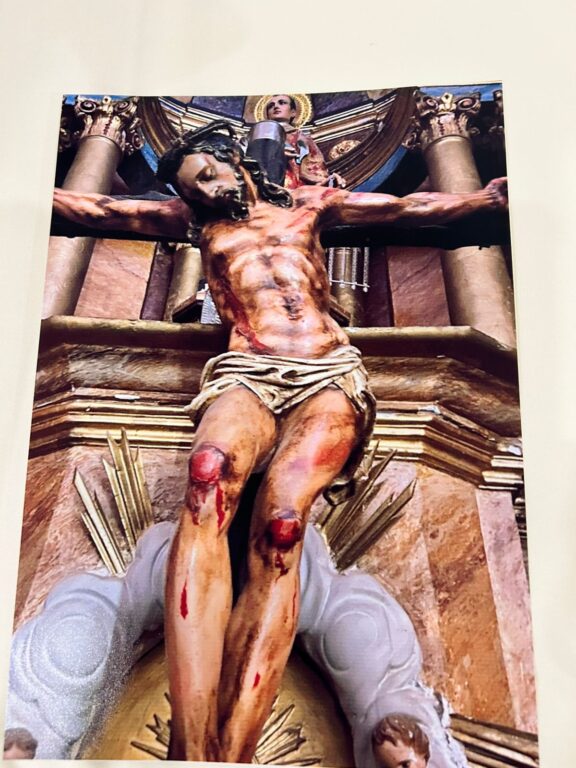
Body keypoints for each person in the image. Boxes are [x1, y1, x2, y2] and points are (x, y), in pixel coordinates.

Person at [52, 120, 508, 763]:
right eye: (191, 188)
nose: (204, 190)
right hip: (247, 370)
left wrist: (484, 201)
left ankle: (234, 749)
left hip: (326, 373)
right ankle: (191, 744)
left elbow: (409, 207)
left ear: (234, 160)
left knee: (283, 526)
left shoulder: (310, 205)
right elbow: (97, 208)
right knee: (207, 475)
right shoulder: (194, 224)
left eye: (207, 174)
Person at [264, 94, 346, 189]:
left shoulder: (302, 138)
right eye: (271, 106)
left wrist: (326, 180)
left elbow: (315, 166)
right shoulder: (260, 138)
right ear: (268, 116)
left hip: (298, 186)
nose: (276, 106)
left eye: (282, 103)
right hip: (268, 184)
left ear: (293, 112)